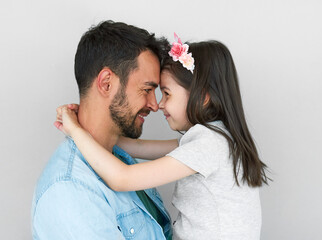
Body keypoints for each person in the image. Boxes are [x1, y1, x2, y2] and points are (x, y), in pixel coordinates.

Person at [56, 33, 270, 240]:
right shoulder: (217, 138)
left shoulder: (209, 145)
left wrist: (76, 131)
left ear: (203, 97)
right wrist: (92, 129)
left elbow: (123, 178)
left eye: (167, 94)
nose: (159, 105)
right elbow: (139, 147)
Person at [32, 20, 173, 240]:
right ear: (106, 83)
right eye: (146, 89)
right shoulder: (71, 190)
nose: (155, 105)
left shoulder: (121, 158)